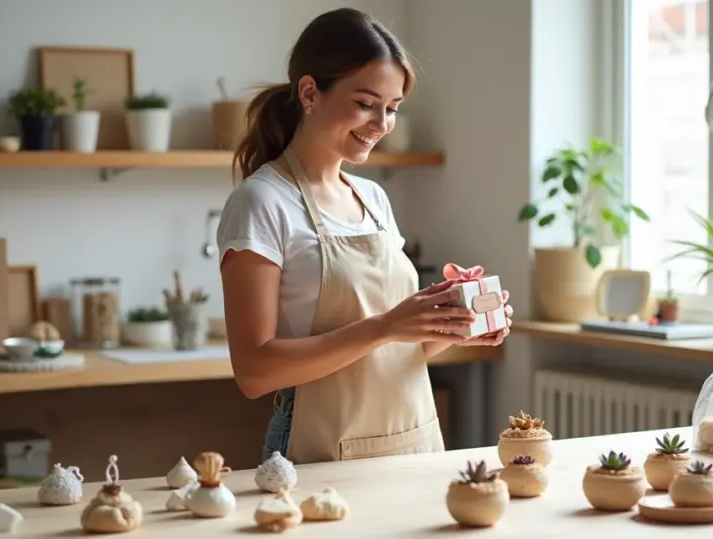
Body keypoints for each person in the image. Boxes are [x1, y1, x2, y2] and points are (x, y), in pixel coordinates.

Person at [216, 7, 513, 465]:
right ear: (310, 92)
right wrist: (385, 326)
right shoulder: (261, 202)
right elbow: (255, 372)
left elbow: (392, 351)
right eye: (366, 103)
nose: (382, 123)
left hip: (411, 446)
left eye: (392, 108)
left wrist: (453, 326)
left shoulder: (373, 199)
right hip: (319, 450)